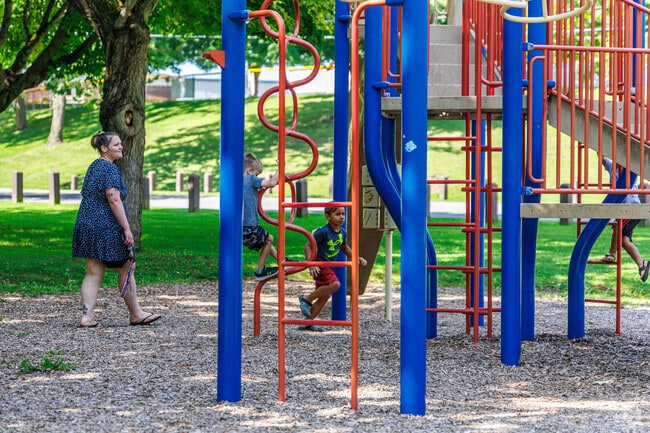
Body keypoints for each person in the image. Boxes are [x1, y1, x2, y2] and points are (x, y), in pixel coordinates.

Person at [72, 131, 161, 327]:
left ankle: (87, 317)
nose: (121, 147)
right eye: (116, 145)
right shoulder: (109, 168)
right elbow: (113, 198)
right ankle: (136, 314)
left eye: (120, 144)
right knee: (127, 267)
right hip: (105, 226)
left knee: (93, 271)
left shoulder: (94, 166)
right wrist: (127, 229)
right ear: (104, 148)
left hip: (86, 224)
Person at [298, 206, 367, 331]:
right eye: (337, 214)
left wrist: (356, 257)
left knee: (325, 295)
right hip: (319, 265)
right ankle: (306, 299)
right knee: (335, 284)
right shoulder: (323, 232)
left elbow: (344, 247)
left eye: (343, 214)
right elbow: (308, 245)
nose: (341, 217)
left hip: (329, 266)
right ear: (328, 217)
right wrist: (311, 263)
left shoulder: (342, 232)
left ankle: (307, 322)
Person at [600, 157, 649, 281]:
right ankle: (642, 265)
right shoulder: (611, 166)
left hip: (631, 208)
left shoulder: (630, 168)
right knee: (623, 240)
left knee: (617, 227)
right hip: (623, 209)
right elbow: (602, 158)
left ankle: (611, 254)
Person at [243, 153, 280, 280]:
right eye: (257, 174)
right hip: (249, 226)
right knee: (269, 239)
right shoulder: (250, 179)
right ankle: (260, 270)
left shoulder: (237, 181)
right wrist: (280, 168)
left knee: (266, 240)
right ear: (249, 171)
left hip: (240, 228)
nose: (257, 177)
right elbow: (272, 183)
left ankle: (282, 260)